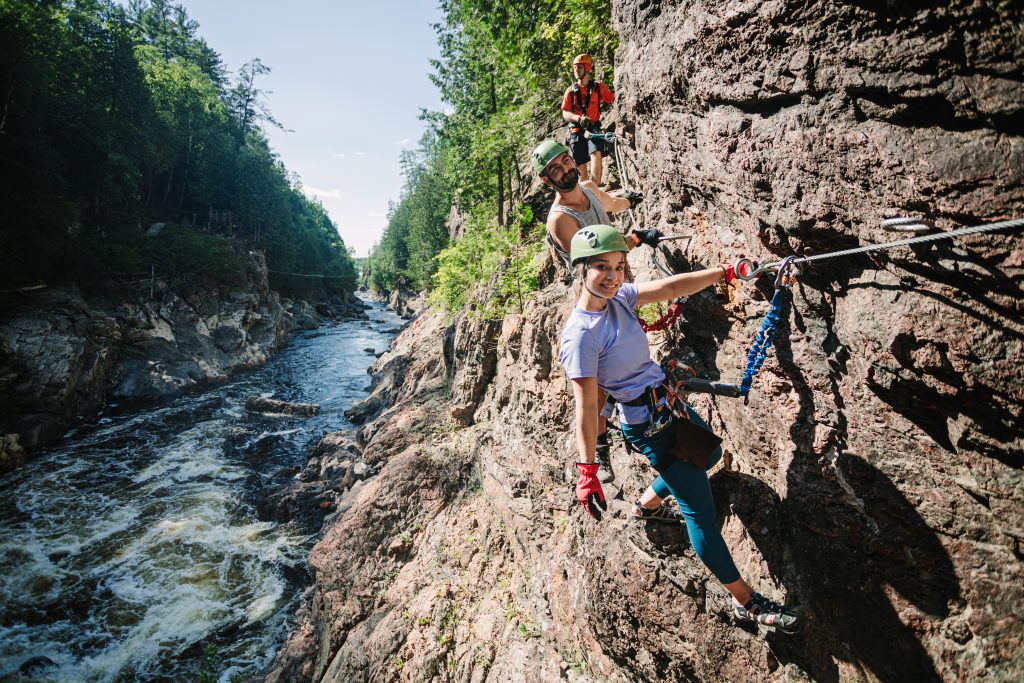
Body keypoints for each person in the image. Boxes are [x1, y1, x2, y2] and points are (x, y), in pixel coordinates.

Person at [558, 224, 801, 633]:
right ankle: (747, 602)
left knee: (710, 454)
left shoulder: (620, 298)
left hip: (668, 404)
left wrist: (724, 272)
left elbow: (671, 287)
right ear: (580, 269)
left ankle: (646, 504)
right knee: (701, 517)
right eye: (601, 266)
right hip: (650, 427)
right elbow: (585, 406)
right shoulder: (580, 336)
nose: (613, 275)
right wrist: (587, 471)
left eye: (618, 266)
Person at [532, 138, 654, 482]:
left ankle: (632, 417)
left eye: (565, 161)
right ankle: (600, 447)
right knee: (597, 383)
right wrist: (634, 240)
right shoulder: (560, 219)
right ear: (546, 180)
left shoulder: (586, 186)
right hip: (594, 294)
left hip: (615, 278)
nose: (564, 170)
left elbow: (611, 204)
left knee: (627, 354)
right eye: (554, 169)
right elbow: (590, 257)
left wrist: (632, 200)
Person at [561, 54, 614, 185]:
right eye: (574, 68)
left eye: (579, 67)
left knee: (596, 153)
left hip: (593, 128)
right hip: (576, 130)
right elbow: (565, 113)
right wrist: (578, 118)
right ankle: (586, 192)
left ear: (587, 68)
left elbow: (613, 99)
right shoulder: (570, 91)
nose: (576, 71)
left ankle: (595, 187)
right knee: (581, 167)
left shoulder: (598, 88)